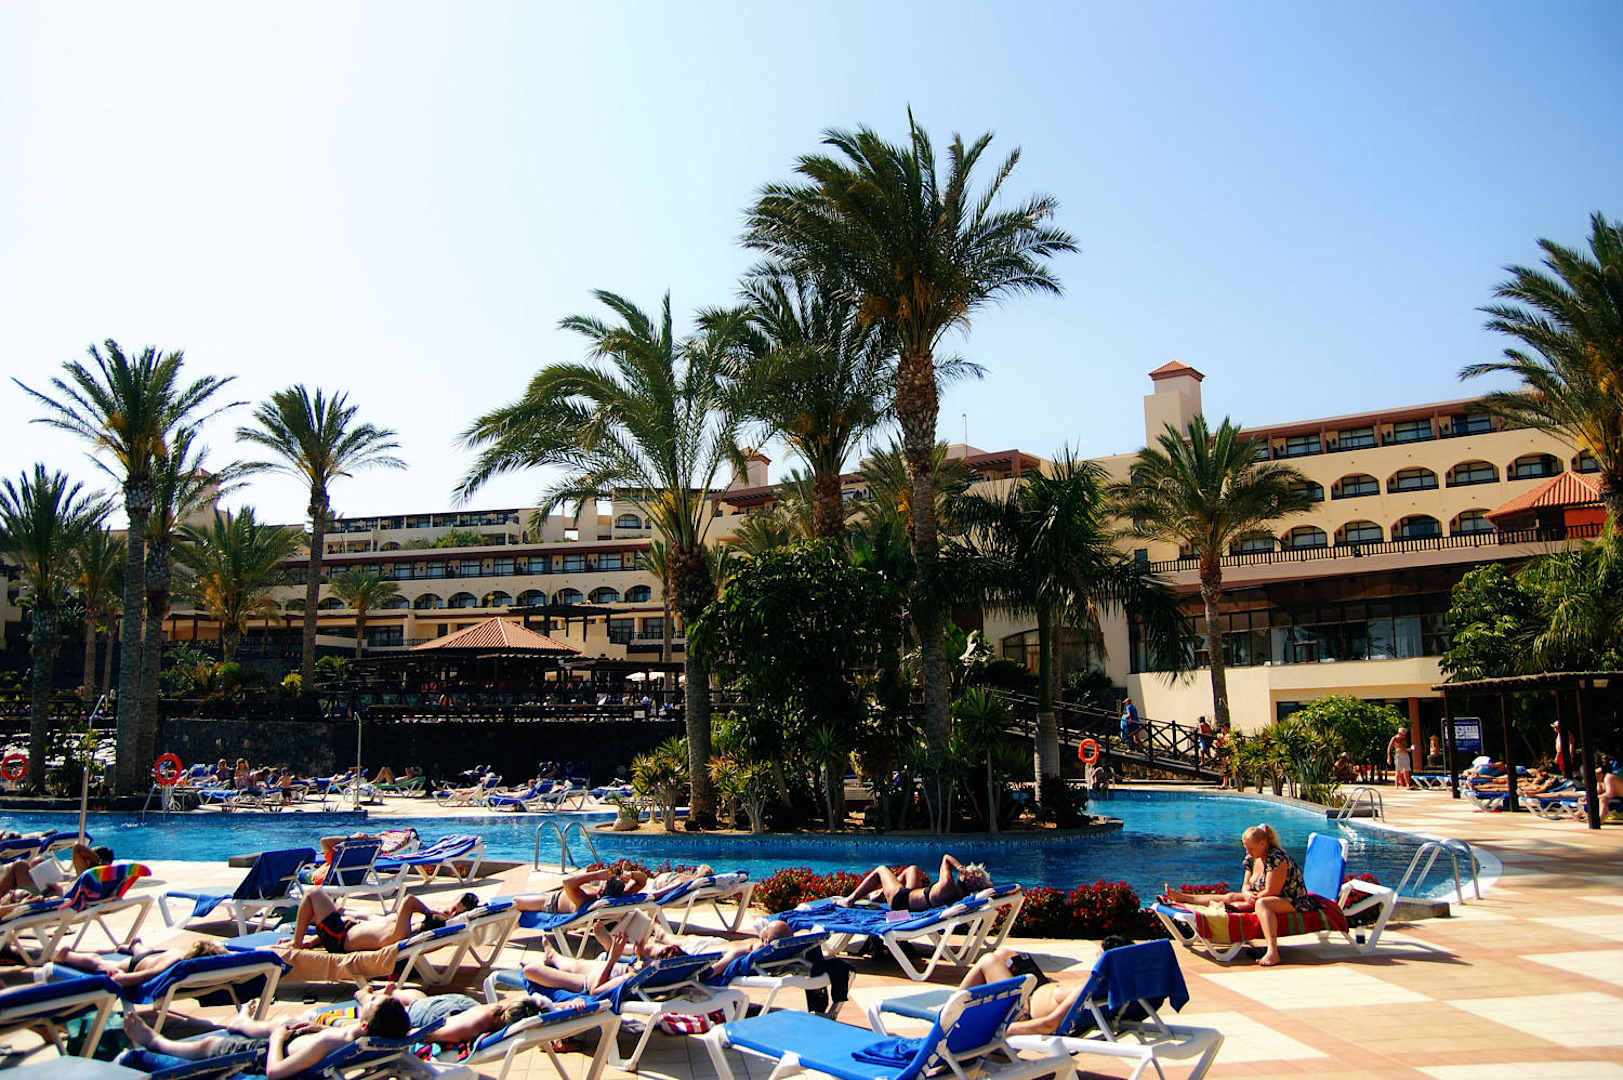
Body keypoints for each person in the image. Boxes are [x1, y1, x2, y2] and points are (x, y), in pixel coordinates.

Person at [119, 992, 411, 1079]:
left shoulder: (330, 1042)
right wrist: (316, 1029)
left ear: (365, 1024)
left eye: (372, 1003)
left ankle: (156, 1042)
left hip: (263, 1056)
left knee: (208, 1045)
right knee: (284, 1022)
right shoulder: (361, 1038)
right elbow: (338, 1035)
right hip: (292, 1042)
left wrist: (277, 1041)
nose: (369, 999)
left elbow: (274, 1073)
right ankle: (243, 1022)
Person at [1163, 824, 1316, 967]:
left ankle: (1273, 952)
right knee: (1230, 897)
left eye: (1251, 848)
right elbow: (1245, 885)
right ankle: (1184, 898)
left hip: (1291, 900)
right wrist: (1247, 894)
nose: (1248, 852)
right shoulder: (1252, 858)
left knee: (1261, 904)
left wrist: (1251, 899)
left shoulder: (1276, 858)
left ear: (1263, 844)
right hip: (1263, 896)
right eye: (1245, 847)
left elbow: (1272, 891)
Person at [952, 936, 1133, 1035]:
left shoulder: (1086, 991)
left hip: (1023, 1010)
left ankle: (950, 1016)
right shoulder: (1121, 986)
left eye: (1098, 956)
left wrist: (1000, 1030)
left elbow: (1048, 1025)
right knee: (1004, 953)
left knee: (988, 961)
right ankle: (953, 1011)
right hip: (1038, 988)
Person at [285, 886, 477, 953]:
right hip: (341, 931)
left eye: (453, 912)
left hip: (339, 937)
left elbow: (409, 900)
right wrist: (313, 942)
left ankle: (296, 944)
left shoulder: (401, 933)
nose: (449, 911)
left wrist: (428, 911)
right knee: (316, 902)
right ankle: (301, 940)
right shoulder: (405, 929)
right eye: (452, 908)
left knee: (312, 893)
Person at [837, 854, 990, 912]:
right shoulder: (960, 895)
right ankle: (880, 893)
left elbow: (946, 858)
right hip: (911, 899)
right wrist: (980, 883)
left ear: (965, 876)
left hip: (900, 901)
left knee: (881, 870)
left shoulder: (947, 884)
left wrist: (959, 867)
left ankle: (849, 900)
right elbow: (989, 886)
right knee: (913, 869)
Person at [51, 940, 226, 987]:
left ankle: (135, 946)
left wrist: (122, 979)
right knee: (100, 963)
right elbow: (148, 974)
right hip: (141, 962)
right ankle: (68, 957)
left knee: (100, 962)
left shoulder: (178, 957)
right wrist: (122, 978)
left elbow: (149, 972)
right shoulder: (175, 964)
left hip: (144, 960)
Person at [512, 865, 648, 917]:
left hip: (551, 903)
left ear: (603, 889)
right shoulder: (622, 895)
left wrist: (596, 875)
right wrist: (631, 874)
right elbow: (643, 881)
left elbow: (567, 882)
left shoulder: (588, 897)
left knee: (515, 902)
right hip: (561, 895)